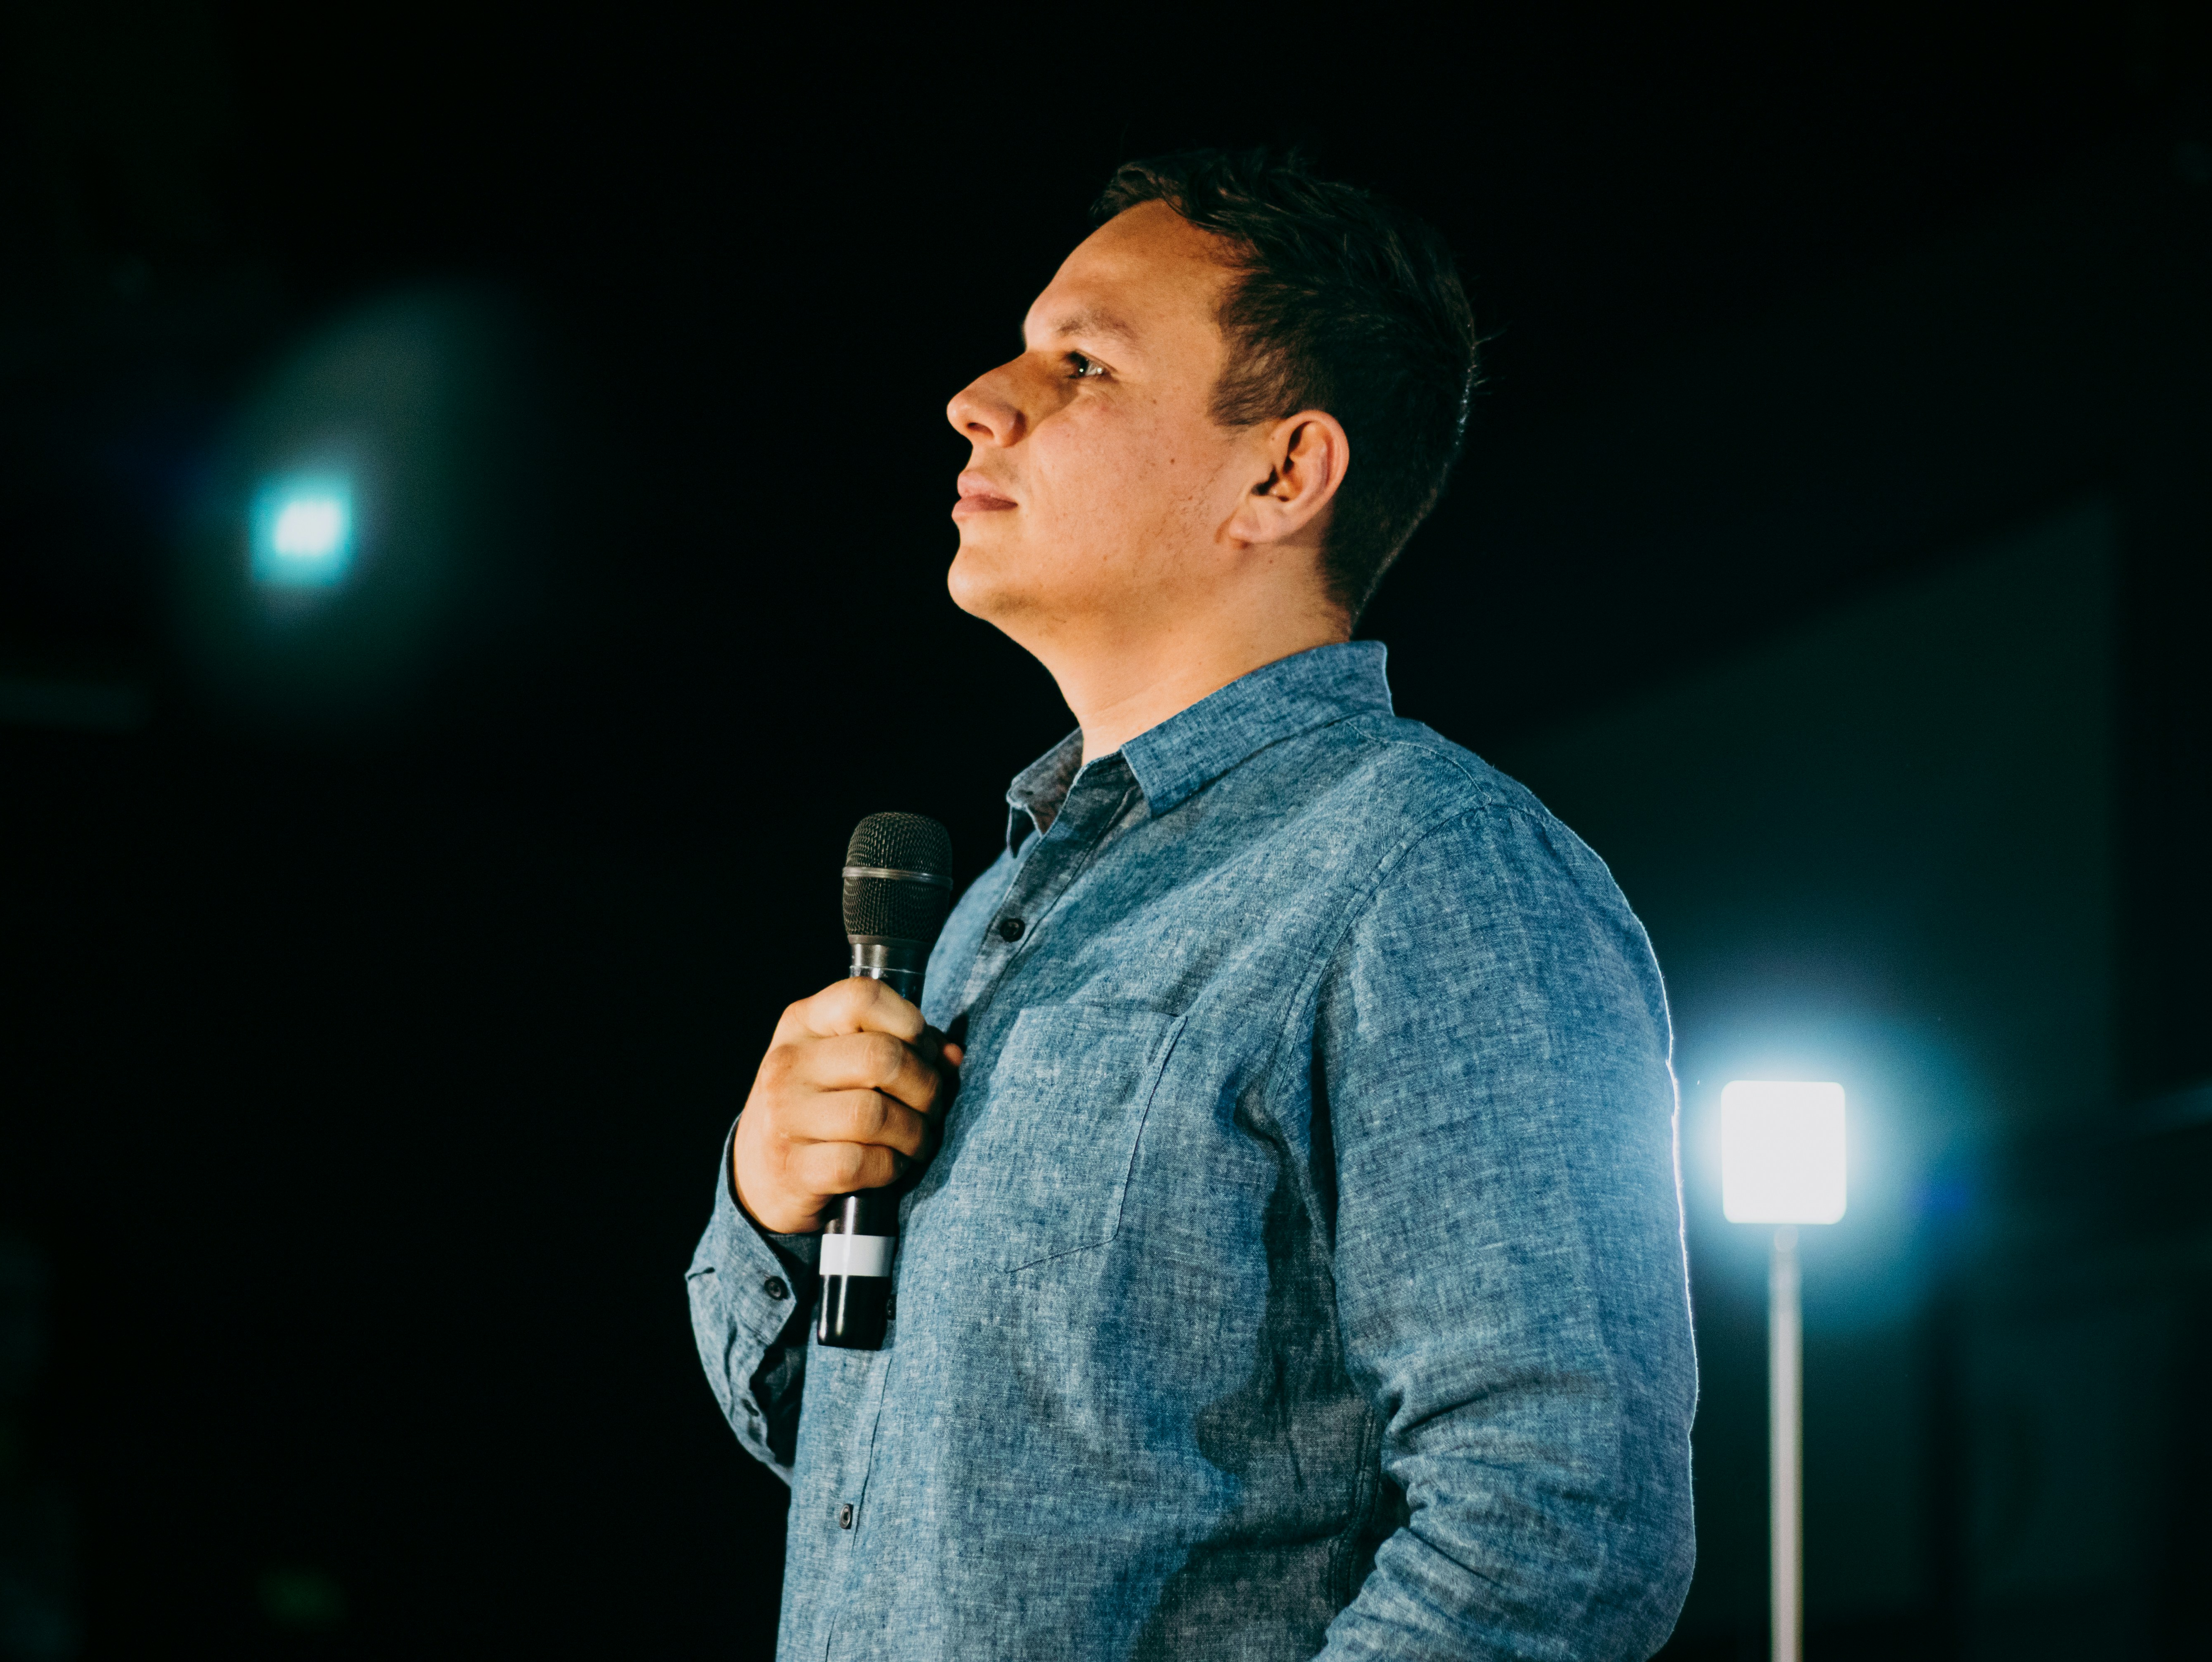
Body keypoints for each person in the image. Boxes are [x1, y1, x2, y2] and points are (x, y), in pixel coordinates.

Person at [687, 148, 1696, 1660]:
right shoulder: (984, 916)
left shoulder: (1427, 868)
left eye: (1079, 363)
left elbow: (1560, 1522)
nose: (982, 397)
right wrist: (766, 1211)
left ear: (1281, 475)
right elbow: (873, 1481)